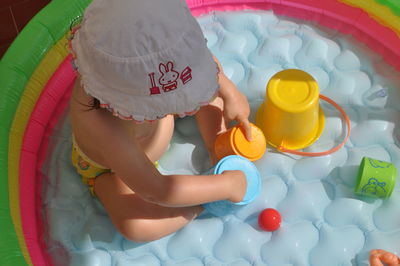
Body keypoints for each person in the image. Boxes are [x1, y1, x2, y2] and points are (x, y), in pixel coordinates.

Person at [69, 0, 253, 242]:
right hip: (114, 170)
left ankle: (217, 147)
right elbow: (158, 190)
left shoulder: (139, 80)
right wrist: (225, 187)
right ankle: (201, 207)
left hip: (150, 123)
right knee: (134, 225)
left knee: (208, 95)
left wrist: (229, 93)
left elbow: (201, 62)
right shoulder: (102, 125)